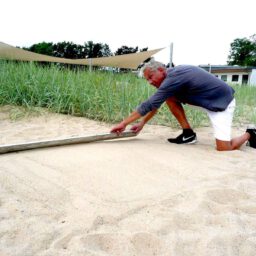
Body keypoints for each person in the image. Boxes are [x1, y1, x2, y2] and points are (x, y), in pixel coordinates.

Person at [110, 60, 256, 151]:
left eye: (150, 77)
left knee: (224, 148)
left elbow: (149, 104)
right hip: (206, 101)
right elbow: (156, 103)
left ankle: (250, 133)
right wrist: (142, 123)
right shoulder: (169, 81)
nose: (149, 82)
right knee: (168, 97)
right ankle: (188, 134)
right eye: (147, 79)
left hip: (222, 104)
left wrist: (123, 123)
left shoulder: (175, 76)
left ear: (161, 70)